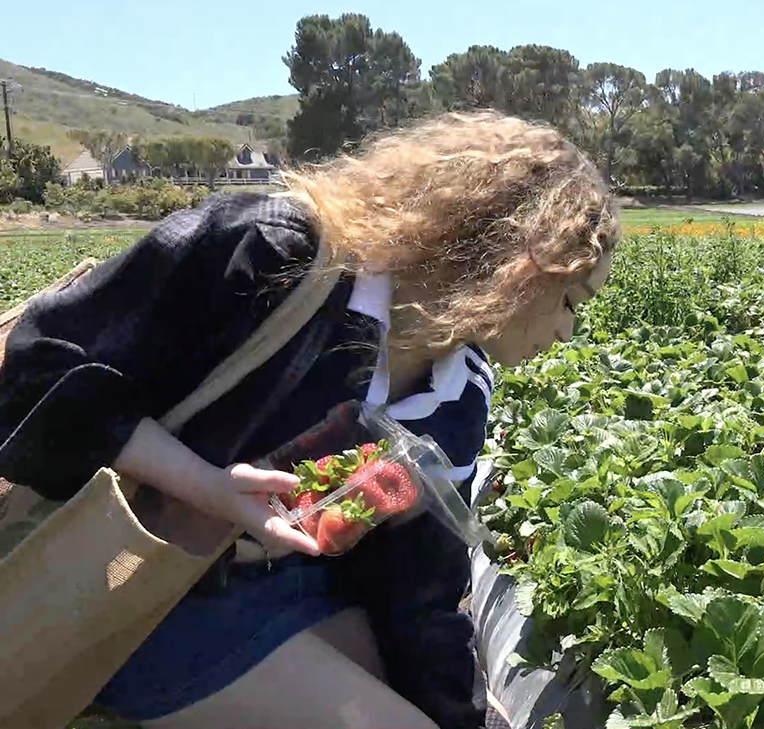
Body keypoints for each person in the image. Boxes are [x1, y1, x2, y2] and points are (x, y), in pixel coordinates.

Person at [0, 110, 619, 729]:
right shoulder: (276, 253)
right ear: (515, 262)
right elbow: (37, 367)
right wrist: (209, 488)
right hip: (141, 587)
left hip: (288, 591)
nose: (568, 331)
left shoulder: (460, 395)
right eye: (570, 300)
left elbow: (421, 585)